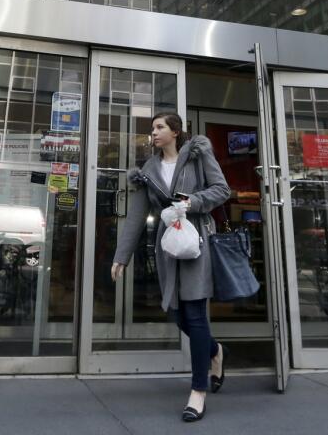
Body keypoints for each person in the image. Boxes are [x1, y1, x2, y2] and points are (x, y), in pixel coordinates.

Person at [111, 112, 231, 422]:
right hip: (167, 247)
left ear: (176, 131)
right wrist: (121, 256)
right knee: (176, 312)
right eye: (152, 128)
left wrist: (191, 202)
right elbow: (137, 216)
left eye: (160, 127)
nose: (154, 132)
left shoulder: (197, 154)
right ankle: (215, 351)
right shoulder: (148, 171)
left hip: (196, 242)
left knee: (194, 311)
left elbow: (221, 190)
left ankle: (198, 391)